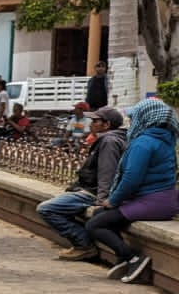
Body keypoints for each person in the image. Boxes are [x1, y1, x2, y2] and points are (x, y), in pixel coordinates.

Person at [88, 97, 179, 284]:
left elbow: (131, 178)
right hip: (161, 199)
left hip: (152, 202)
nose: (131, 122)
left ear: (145, 117)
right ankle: (123, 258)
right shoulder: (165, 138)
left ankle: (133, 258)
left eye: (134, 117)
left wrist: (113, 201)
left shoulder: (144, 142)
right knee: (100, 213)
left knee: (95, 225)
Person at [38, 106, 126, 262]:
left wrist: (101, 201)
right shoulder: (108, 139)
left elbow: (107, 173)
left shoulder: (109, 141)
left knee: (46, 209)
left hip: (92, 193)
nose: (90, 124)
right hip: (86, 189)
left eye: (95, 121)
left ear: (106, 125)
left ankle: (83, 245)